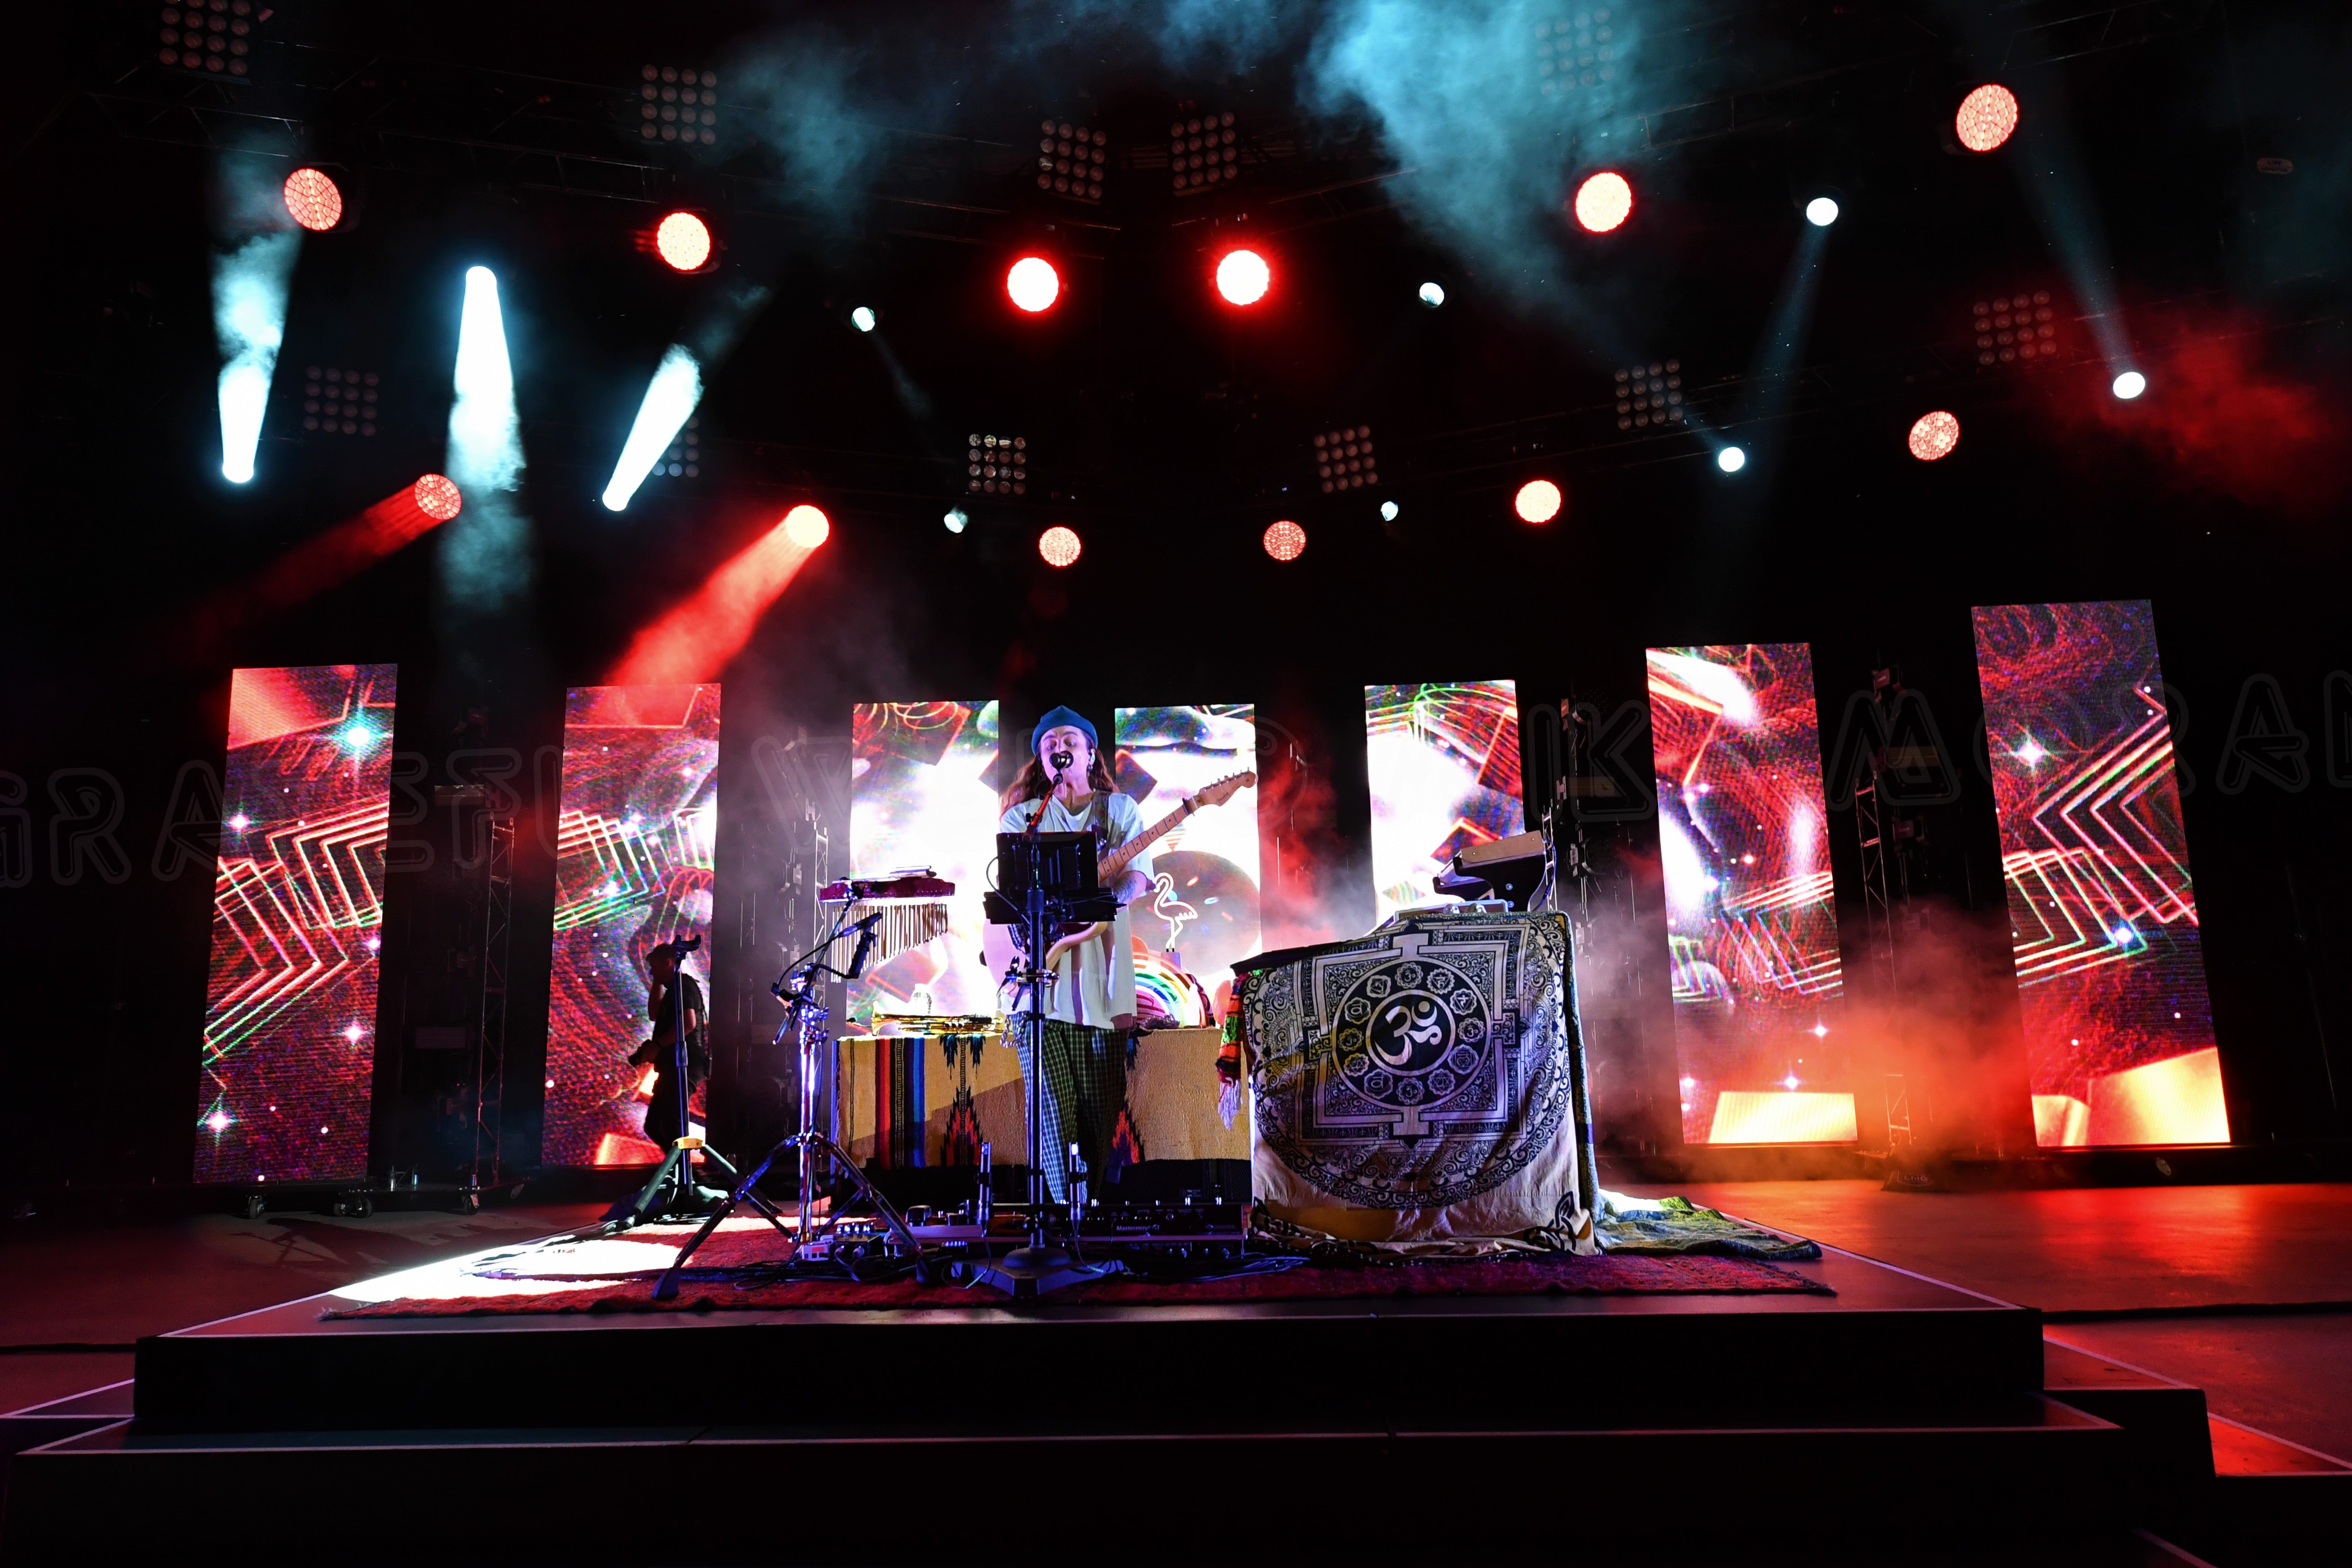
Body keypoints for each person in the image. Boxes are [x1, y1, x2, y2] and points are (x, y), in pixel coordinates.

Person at [995, 706, 1188, 1202]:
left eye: (1069, 739)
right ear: (1042, 757)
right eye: (1049, 741)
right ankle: (1060, 1216)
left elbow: (1137, 878)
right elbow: (1011, 892)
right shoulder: (1023, 817)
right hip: (1039, 982)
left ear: (1087, 752)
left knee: (1100, 1106)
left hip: (1103, 981)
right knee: (1049, 1105)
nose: (1060, 745)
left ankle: (1093, 1214)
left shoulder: (1119, 810)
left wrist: (1099, 901)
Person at [630, 941, 708, 1159]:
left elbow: (689, 1024)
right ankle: (681, 1171)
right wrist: (657, 981)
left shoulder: (684, 986)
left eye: (655, 967)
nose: (651, 971)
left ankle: (689, 1178)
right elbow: (654, 1014)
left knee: (672, 1124)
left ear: (668, 963)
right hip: (671, 1066)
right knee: (655, 1125)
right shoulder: (672, 990)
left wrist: (657, 1045)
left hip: (685, 1065)